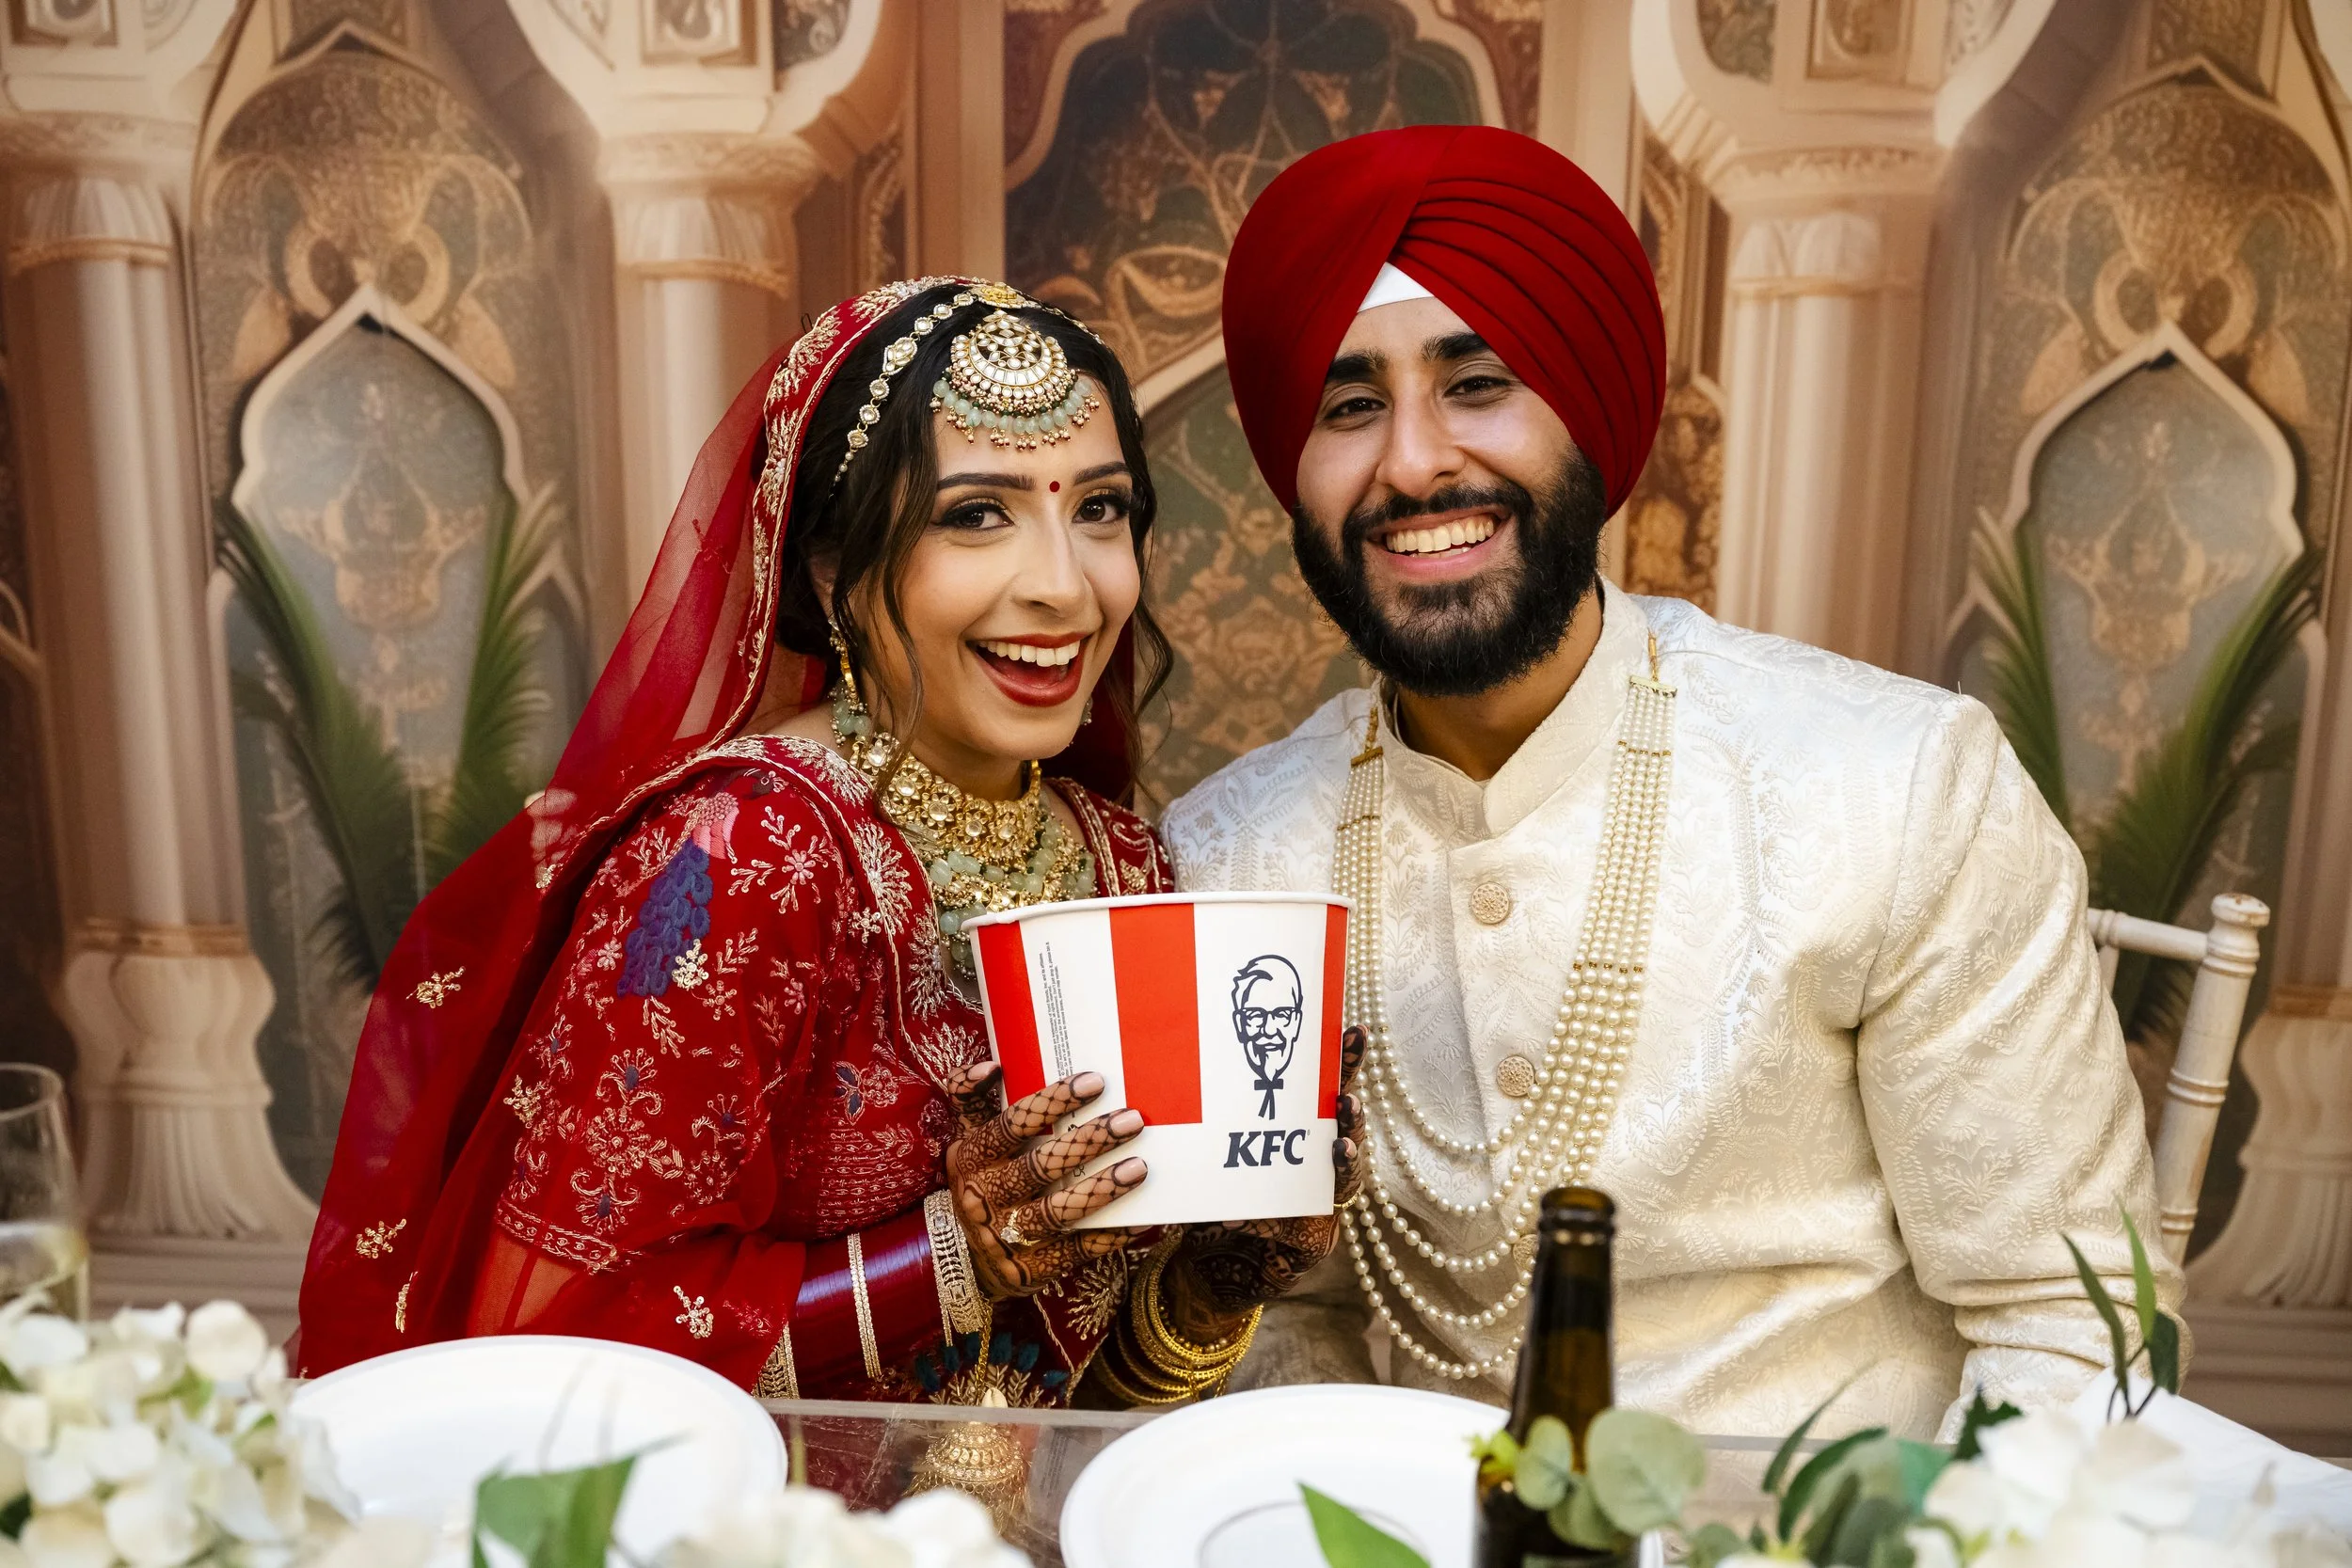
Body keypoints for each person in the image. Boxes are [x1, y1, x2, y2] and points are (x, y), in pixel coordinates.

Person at [1160, 126, 2176, 1440]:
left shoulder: (1896, 785)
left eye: (1478, 384)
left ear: (1588, 407)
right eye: (1350, 406)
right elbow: (1285, 1313)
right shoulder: (1232, 855)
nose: (1413, 463)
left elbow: (2068, 1325)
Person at [295, 278, 1361, 1407]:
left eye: (1098, 509)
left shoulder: (1120, 862)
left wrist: (1210, 1284)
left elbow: (1075, 1411)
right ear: (830, 573)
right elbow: (550, 1338)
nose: (1064, 585)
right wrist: (948, 1259)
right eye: (975, 514)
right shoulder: (735, 858)